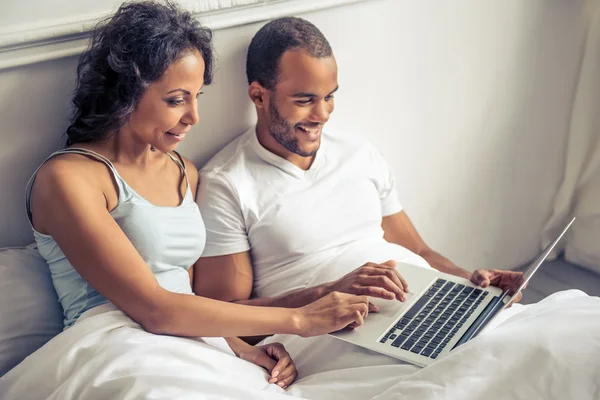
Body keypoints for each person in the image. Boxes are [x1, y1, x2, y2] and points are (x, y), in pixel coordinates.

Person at [25, 2, 370, 390]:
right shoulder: (67, 179)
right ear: (125, 93)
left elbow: (185, 297)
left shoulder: (183, 172)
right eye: (175, 100)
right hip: (113, 341)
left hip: (186, 340)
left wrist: (240, 347)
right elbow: (155, 308)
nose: (194, 117)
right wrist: (300, 319)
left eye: (196, 95)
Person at [194, 16, 524, 343]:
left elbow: (419, 250)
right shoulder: (228, 184)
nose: (322, 114)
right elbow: (224, 316)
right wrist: (329, 292)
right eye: (305, 100)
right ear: (259, 96)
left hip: (427, 313)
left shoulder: (358, 154)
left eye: (329, 97)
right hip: (337, 336)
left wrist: (474, 283)